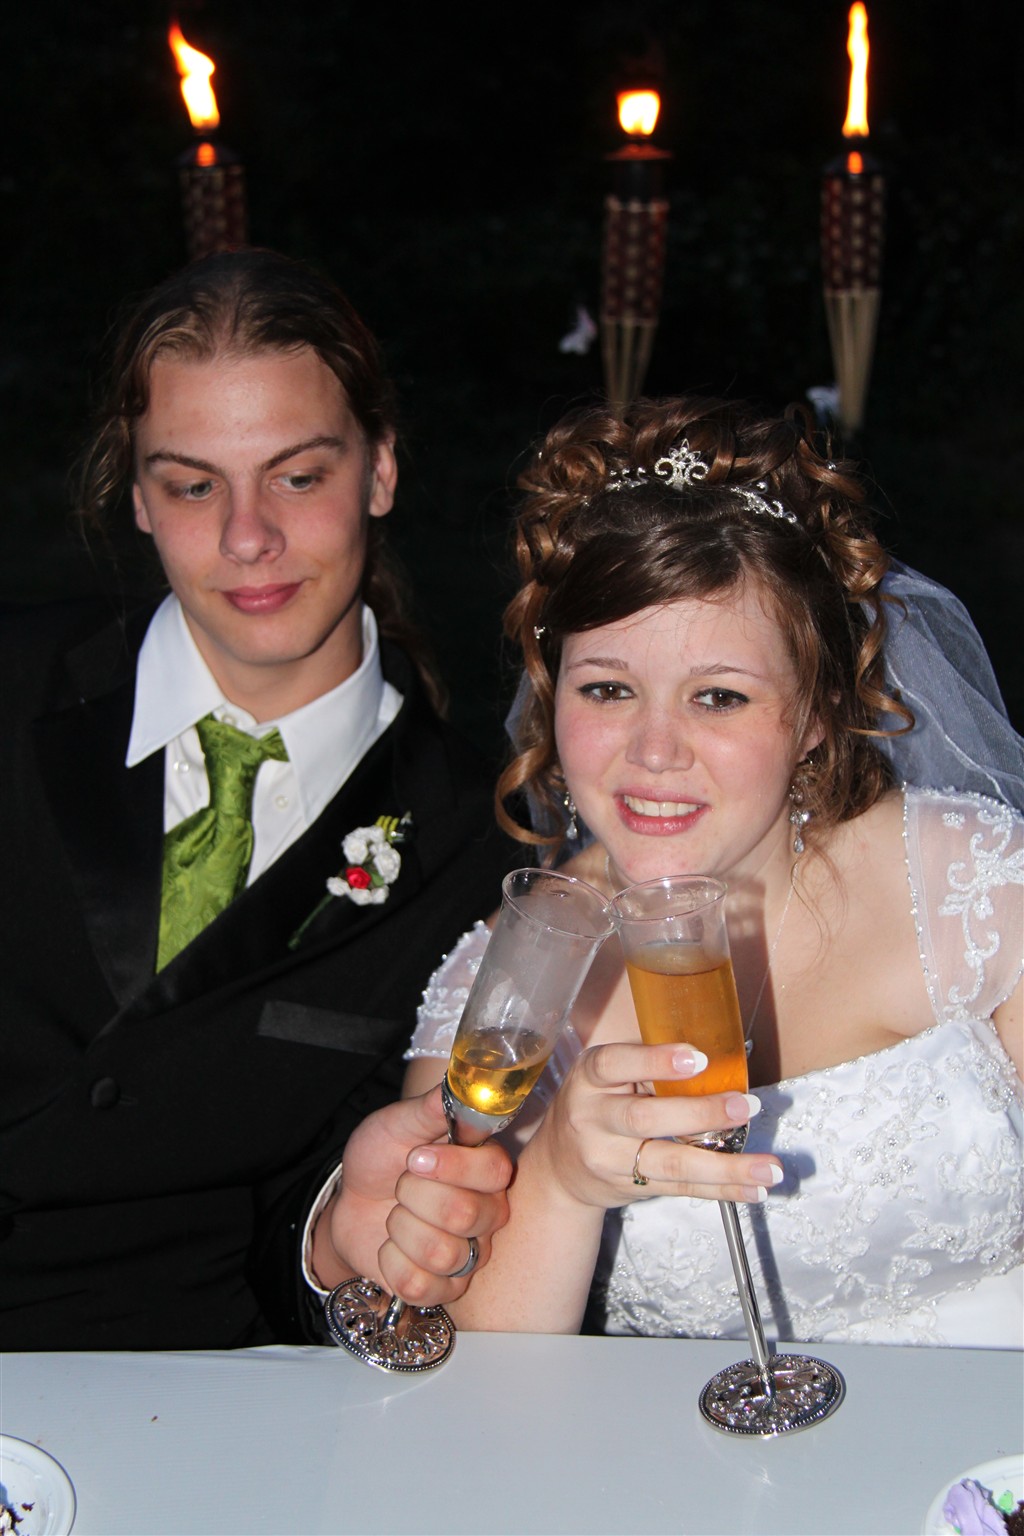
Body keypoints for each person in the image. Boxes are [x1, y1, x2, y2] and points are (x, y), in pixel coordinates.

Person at [405, 394, 1023, 1349]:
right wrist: (562, 1180)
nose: (655, 752)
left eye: (720, 697)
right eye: (608, 688)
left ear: (817, 713)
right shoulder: (505, 990)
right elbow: (466, 1381)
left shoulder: (975, 885)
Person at [0, 248, 518, 1351]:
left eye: (297, 476)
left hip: (181, 1394)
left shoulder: (475, 848)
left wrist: (334, 1242)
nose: (248, 538)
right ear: (139, 498)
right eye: (195, 485)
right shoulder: (14, 687)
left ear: (380, 470)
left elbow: (305, 1238)